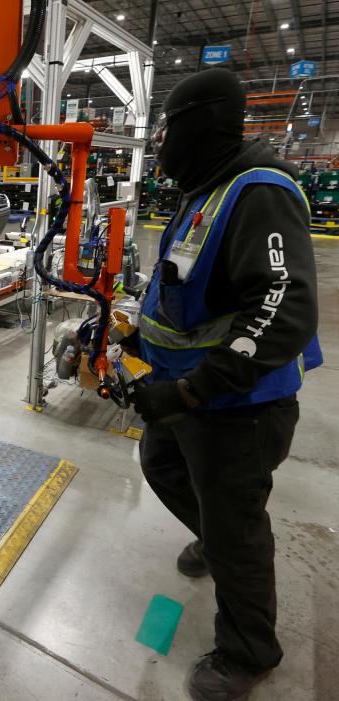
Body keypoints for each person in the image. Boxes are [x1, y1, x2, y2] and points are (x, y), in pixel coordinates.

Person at [133, 67, 321, 701]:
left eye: (168, 131)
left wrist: (189, 390)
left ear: (202, 126)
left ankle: (248, 652)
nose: (161, 146)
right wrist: (136, 341)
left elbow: (282, 306)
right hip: (193, 394)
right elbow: (184, 291)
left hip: (240, 404)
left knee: (237, 524)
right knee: (160, 462)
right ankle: (214, 540)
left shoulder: (258, 191)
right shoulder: (205, 190)